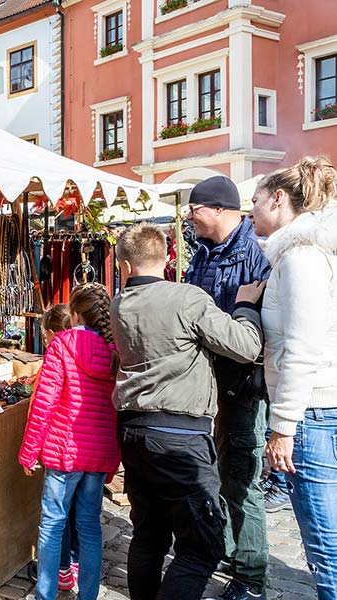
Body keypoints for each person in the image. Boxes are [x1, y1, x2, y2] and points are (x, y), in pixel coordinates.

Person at [110, 223, 265, 600]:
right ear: (166, 260)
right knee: (202, 546)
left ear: (125, 268)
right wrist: (245, 305)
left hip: (133, 431)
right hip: (179, 437)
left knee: (149, 535)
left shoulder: (119, 303)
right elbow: (245, 345)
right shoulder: (185, 298)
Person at [248, 156, 337, 600]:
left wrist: (283, 426)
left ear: (279, 199)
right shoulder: (301, 254)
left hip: (313, 411)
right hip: (319, 404)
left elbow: (302, 347)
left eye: (257, 201)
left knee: (326, 545)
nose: (252, 211)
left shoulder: (300, 257)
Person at [184, 176, 271, 600]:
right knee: (219, 476)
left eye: (193, 208)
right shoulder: (203, 252)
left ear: (217, 209)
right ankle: (230, 551)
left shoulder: (254, 254)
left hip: (243, 387)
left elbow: (254, 334)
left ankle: (251, 580)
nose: (189, 216)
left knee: (241, 482)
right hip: (210, 384)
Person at [19, 285, 119, 600]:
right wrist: (113, 459)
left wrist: (28, 452)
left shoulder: (63, 344)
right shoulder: (114, 350)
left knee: (52, 524)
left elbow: (44, 403)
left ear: (74, 313)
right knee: (89, 526)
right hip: (98, 452)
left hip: (65, 451)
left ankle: (45, 594)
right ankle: (87, 594)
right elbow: (119, 407)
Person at [27, 304, 80, 591]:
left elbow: (42, 407)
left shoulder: (56, 357)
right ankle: (74, 565)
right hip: (84, 449)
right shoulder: (90, 351)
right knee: (79, 514)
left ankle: (57, 575)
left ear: (49, 333)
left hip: (60, 447)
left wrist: (29, 453)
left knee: (55, 516)